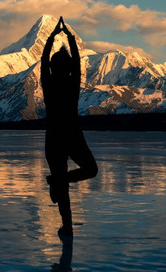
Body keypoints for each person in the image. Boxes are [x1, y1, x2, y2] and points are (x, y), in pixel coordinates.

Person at [41, 16, 98, 238]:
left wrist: (51, 38)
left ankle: (67, 224)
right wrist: (70, 38)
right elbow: (78, 64)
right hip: (72, 136)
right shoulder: (73, 83)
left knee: (63, 187)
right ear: (66, 68)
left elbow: (44, 62)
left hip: (55, 138)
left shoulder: (48, 82)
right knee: (90, 170)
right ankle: (59, 186)